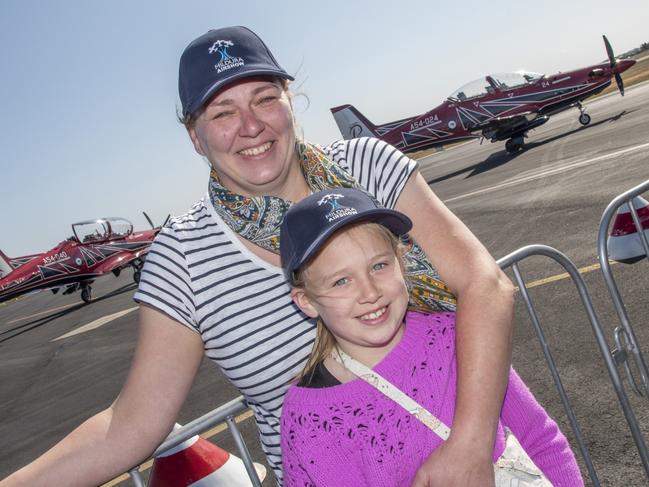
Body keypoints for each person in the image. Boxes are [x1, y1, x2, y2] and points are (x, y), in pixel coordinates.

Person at [1, 26, 515, 487]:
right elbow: (129, 425)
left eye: (265, 99)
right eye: (222, 113)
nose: (251, 126)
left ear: (291, 102)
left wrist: (469, 446)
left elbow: (484, 286)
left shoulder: (369, 166)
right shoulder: (181, 256)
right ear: (194, 137)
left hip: (474, 462)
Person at [279, 188, 584, 487]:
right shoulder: (307, 419)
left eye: (379, 265)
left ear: (402, 261)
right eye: (341, 281)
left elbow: (540, 439)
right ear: (306, 301)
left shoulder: (454, 338)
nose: (370, 293)